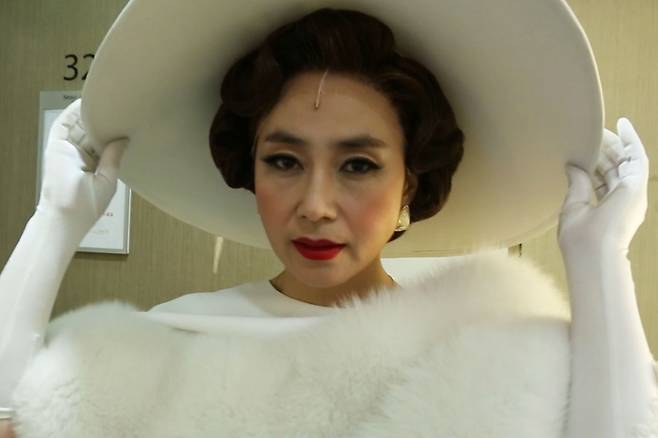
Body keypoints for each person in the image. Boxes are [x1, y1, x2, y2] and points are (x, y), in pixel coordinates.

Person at [1, 7, 656, 437]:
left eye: (358, 165)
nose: (315, 203)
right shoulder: (170, 344)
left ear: (411, 180)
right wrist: (55, 221)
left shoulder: (497, 355)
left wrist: (600, 257)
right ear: (250, 169)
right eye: (284, 161)